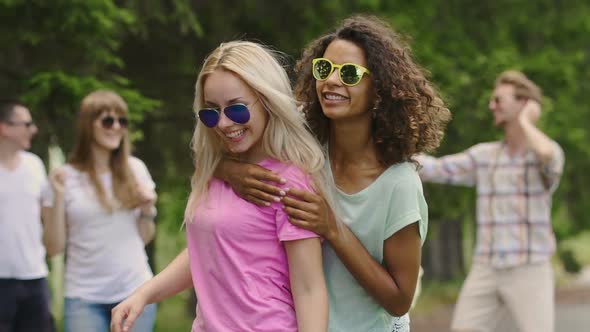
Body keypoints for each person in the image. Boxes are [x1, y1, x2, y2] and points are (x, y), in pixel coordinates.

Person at [216, 15, 451, 332]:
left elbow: (399, 300)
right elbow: (218, 144)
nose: (332, 81)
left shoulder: (398, 183)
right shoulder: (300, 146)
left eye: (350, 74)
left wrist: (333, 228)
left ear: (380, 89)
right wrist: (230, 170)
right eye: (324, 70)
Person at [111, 41, 330, 332]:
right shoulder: (216, 172)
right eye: (211, 112)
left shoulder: (289, 181)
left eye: (237, 110)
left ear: (267, 100)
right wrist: (144, 294)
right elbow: (209, 251)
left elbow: (309, 288)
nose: (224, 124)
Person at [416, 70, 564, 332]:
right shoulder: (486, 155)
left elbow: (546, 155)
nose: (491, 105)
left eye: (498, 100)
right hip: (487, 267)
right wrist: (391, 150)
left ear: (523, 103)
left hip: (529, 268)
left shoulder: (545, 153)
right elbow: (435, 168)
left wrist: (527, 121)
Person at [44, 90, 158, 332]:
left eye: (122, 121)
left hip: (134, 292)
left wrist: (147, 209)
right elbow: (53, 248)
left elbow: (144, 237)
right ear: (88, 126)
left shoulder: (135, 169)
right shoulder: (64, 177)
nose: (116, 127)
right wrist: (58, 196)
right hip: (84, 298)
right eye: (108, 120)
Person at [0, 99, 56, 332]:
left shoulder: (35, 165)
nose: (33, 129)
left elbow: (47, 216)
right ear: (4, 128)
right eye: (27, 124)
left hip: (35, 279)